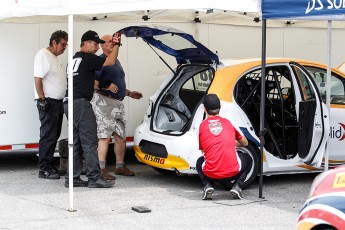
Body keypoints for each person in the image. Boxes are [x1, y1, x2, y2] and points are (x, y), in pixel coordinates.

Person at [63, 30, 121, 188]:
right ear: (86, 43)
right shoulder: (87, 58)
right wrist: (116, 45)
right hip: (81, 104)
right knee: (89, 143)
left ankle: (72, 178)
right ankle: (95, 178)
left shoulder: (73, 59)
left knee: (75, 143)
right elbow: (110, 61)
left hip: (69, 103)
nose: (97, 48)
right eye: (95, 45)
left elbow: (88, 81)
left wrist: (103, 85)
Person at [91, 34, 143, 180]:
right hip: (105, 102)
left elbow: (117, 83)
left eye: (113, 42)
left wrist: (129, 93)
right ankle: (101, 169)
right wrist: (104, 86)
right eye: (109, 42)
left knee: (121, 136)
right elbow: (94, 84)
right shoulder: (101, 60)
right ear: (102, 45)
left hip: (118, 103)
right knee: (104, 136)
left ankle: (120, 166)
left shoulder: (116, 61)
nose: (113, 44)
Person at [196, 94, 252, 200]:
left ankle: (207, 185)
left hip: (211, 175)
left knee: (199, 162)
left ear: (204, 109)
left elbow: (204, 151)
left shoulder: (201, 126)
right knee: (248, 158)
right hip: (233, 173)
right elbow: (245, 143)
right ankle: (237, 186)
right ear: (220, 107)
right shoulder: (229, 122)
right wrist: (230, 142)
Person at [34, 30, 68, 179]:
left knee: (54, 135)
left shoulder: (54, 57)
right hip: (49, 102)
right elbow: (38, 78)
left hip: (57, 102)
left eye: (66, 45)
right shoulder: (44, 54)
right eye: (62, 44)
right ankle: (44, 169)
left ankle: (49, 165)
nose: (64, 47)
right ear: (54, 42)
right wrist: (42, 99)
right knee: (48, 135)